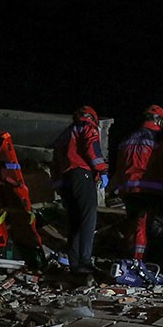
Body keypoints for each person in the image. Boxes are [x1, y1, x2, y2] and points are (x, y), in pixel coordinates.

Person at [50, 105, 106, 281]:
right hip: (81, 174)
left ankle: (75, 264)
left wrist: (58, 183)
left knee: (74, 222)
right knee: (88, 218)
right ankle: (85, 261)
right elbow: (93, 150)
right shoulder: (88, 128)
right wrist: (102, 171)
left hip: (66, 179)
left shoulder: (65, 134)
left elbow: (55, 161)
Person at [112, 104, 163, 267]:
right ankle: (138, 262)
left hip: (128, 190)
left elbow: (119, 166)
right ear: (159, 121)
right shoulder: (159, 140)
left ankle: (129, 259)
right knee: (143, 226)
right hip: (148, 190)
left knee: (133, 225)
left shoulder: (127, 139)